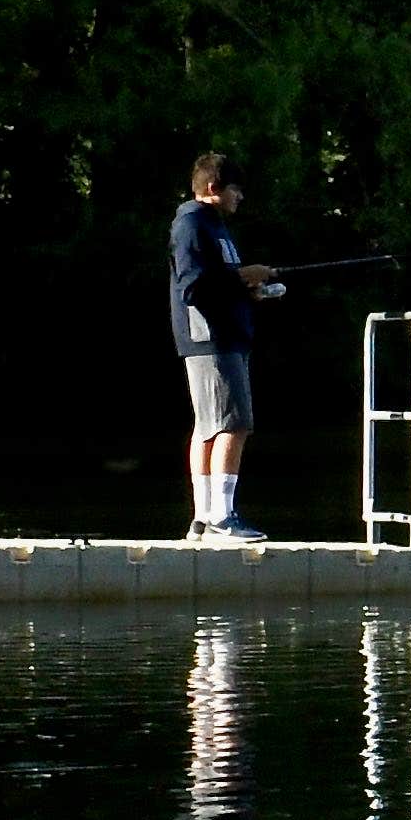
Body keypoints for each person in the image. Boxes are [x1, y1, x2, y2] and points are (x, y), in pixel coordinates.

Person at [170, 152, 271, 539]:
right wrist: (242, 276)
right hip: (212, 339)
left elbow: (218, 283)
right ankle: (222, 518)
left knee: (209, 427)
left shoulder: (214, 226)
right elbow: (193, 286)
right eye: (235, 189)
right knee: (233, 423)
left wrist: (249, 290)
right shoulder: (192, 225)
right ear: (213, 188)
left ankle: (203, 518)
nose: (240, 197)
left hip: (222, 335)